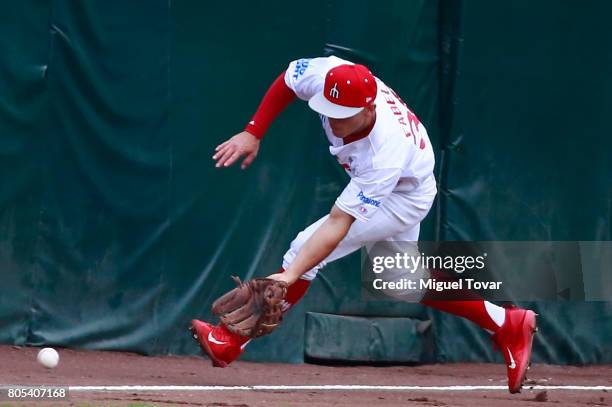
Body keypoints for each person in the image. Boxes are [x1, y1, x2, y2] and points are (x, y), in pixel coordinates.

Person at [190, 56, 537, 393]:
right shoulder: (328, 73)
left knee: (303, 250)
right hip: (404, 179)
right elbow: (288, 80)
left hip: (404, 195)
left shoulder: (384, 152)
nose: (332, 119)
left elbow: (339, 222)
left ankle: (230, 341)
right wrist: (254, 131)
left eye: (343, 115)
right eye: (328, 109)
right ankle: (507, 323)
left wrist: (290, 274)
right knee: (398, 281)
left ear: (369, 109)